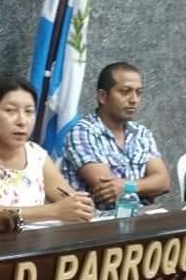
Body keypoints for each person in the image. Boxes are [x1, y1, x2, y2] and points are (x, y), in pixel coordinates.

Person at [0, 74, 94, 223]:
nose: (22, 121)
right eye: (10, 111)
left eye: (29, 111)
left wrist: (81, 205)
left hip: (36, 238)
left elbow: (69, 198)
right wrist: (54, 211)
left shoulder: (36, 154)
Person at [60, 62, 170, 207]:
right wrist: (146, 186)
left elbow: (163, 182)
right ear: (102, 96)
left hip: (143, 215)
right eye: (125, 91)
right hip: (101, 218)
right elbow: (108, 190)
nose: (134, 100)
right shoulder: (83, 132)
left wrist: (127, 187)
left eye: (138, 92)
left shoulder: (141, 133)